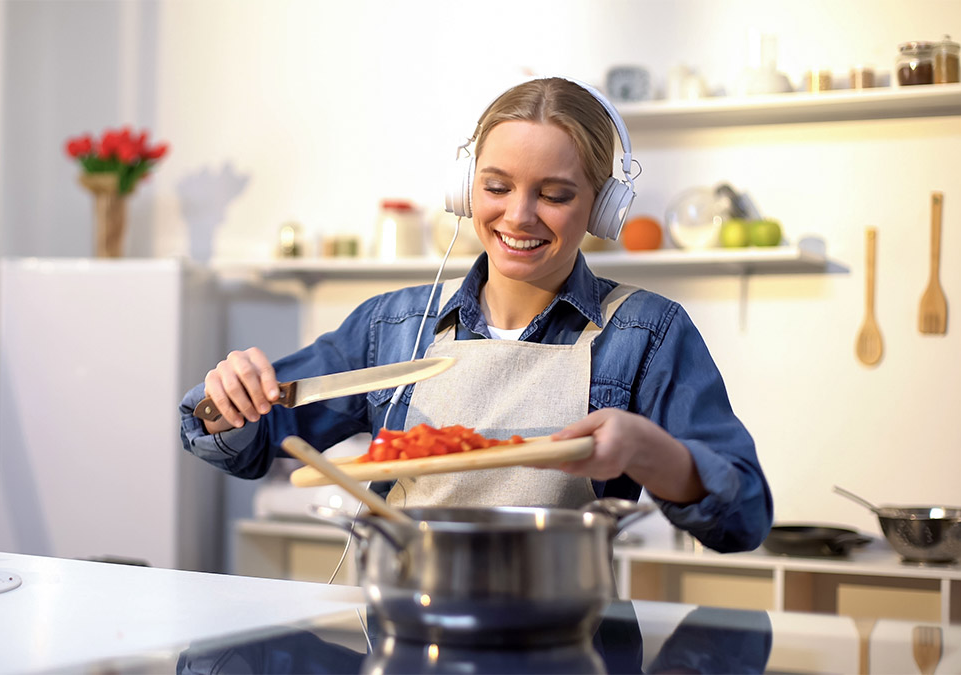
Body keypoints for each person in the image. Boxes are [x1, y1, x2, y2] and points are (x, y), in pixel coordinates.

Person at [179, 76, 772, 553]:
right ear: (465, 189)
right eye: (496, 187)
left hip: (570, 635)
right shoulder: (393, 327)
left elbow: (744, 517)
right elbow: (253, 445)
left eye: (556, 194)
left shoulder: (647, 332)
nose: (518, 216)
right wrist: (229, 403)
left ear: (602, 208)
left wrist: (650, 452)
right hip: (403, 631)